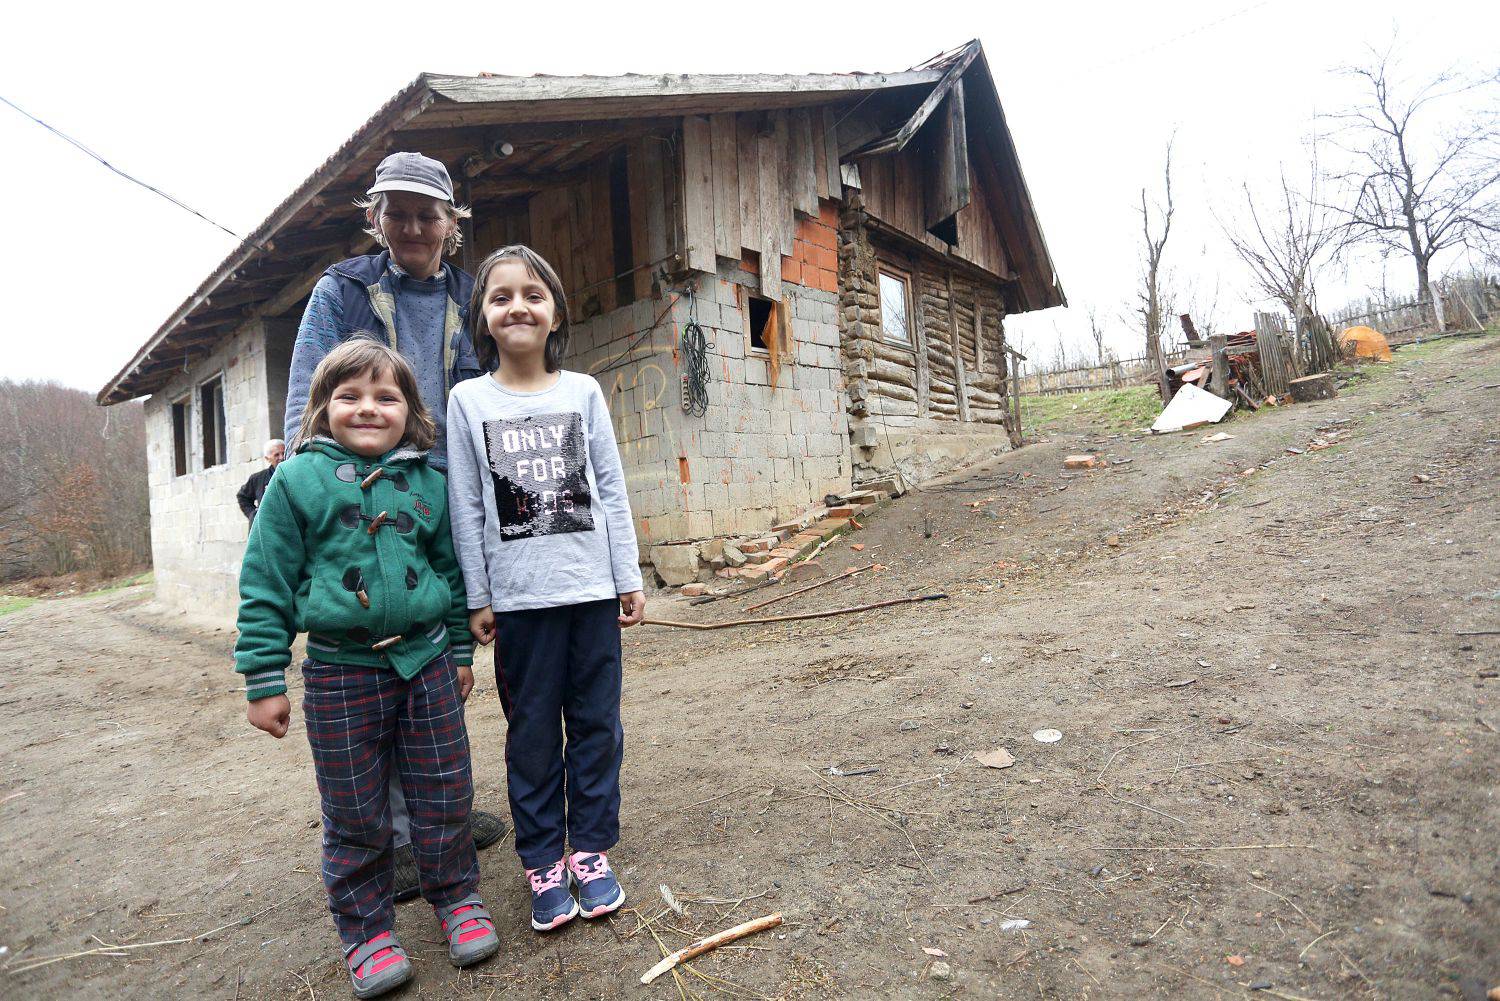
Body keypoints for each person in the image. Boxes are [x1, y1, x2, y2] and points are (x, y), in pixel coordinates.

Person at [236, 340, 499, 998]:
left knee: (445, 793)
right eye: (349, 395)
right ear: (322, 409)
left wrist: (461, 654)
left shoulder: (428, 482)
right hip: (339, 673)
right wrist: (264, 679)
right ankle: (367, 929)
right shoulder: (296, 482)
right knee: (355, 811)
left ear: (411, 412)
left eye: (387, 397)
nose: (368, 407)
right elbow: (265, 584)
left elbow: (452, 571)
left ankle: (456, 897)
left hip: (428, 661)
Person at [284, 151, 506, 901]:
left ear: (452, 225)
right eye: (398, 211)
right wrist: (308, 482)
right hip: (364, 491)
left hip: (441, 494)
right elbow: (308, 386)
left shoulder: (472, 297)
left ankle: (435, 815)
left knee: (436, 655)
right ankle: (393, 837)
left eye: (428, 213)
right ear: (374, 218)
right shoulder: (341, 289)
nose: (413, 225)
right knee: (371, 658)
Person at [446, 245, 645, 933]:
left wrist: (627, 575)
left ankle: (589, 851)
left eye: (532, 292)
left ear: (554, 309)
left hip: (589, 592)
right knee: (531, 735)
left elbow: (612, 489)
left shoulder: (583, 391)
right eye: (500, 296)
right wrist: (478, 596)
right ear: (483, 317)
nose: (518, 305)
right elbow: (466, 504)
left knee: (596, 728)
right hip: (521, 606)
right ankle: (542, 862)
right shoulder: (467, 400)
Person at [236, 438, 285, 524]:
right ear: (267, 459)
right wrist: (253, 515)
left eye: (283, 453)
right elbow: (242, 497)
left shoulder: (293, 474)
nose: (282, 457)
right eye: (276, 455)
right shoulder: (258, 478)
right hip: (266, 526)